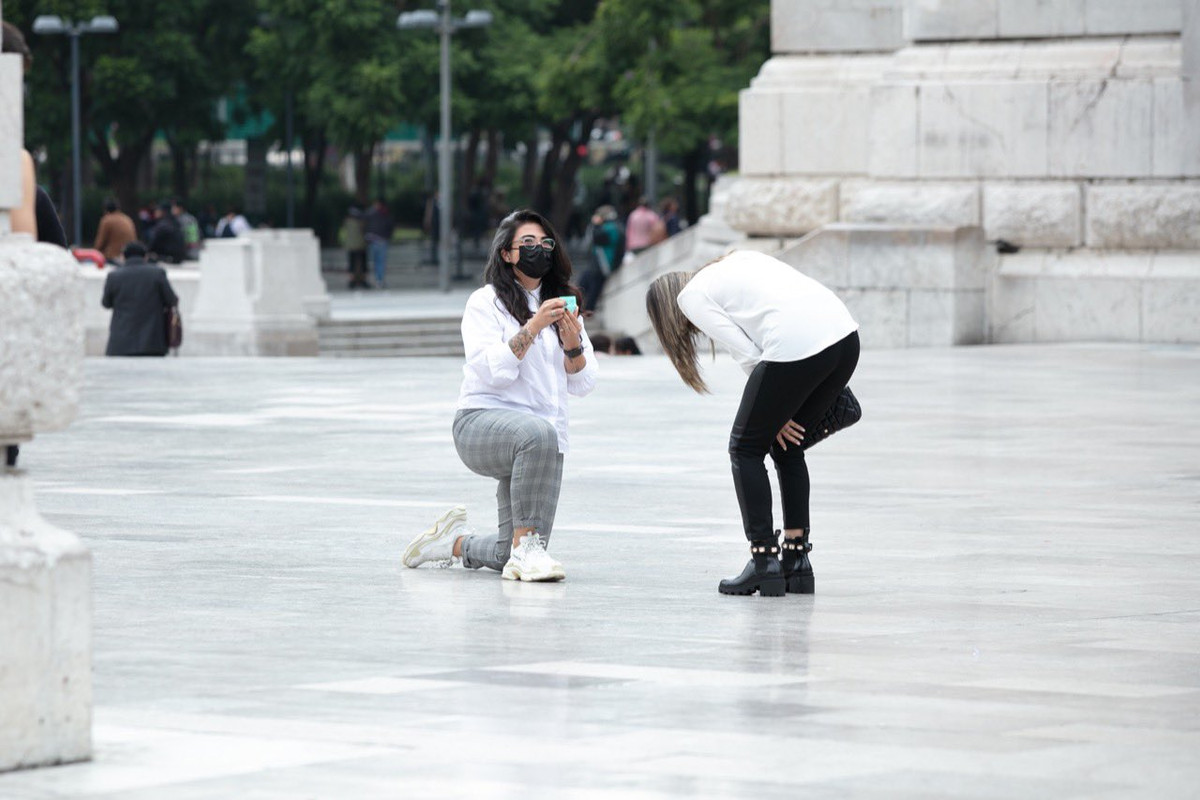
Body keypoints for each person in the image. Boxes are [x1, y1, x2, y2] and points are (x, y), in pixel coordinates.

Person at [646, 250, 860, 597]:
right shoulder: (738, 260)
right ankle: (797, 561)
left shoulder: (691, 297)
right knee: (788, 447)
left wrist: (774, 408)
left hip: (798, 345)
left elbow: (746, 351)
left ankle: (764, 562)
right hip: (846, 338)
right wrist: (776, 411)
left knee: (744, 448)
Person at [402, 209, 598, 582]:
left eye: (545, 243)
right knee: (540, 436)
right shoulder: (485, 302)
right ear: (506, 254)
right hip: (480, 423)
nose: (537, 249)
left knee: (505, 551)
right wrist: (535, 325)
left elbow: (584, 384)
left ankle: (451, 544)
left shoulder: (564, 304)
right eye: (527, 243)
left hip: (541, 440)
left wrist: (572, 345)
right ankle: (527, 553)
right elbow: (491, 371)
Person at [101, 241, 180, 357]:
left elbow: (106, 303)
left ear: (124, 257)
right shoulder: (157, 273)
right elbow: (172, 300)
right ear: (145, 256)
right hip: (153, 343)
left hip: (120, 344)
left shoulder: (114, 276)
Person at [578, 205, 624, 313]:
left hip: (603, 264)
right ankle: (586, 308)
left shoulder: (609, 228)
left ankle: (588, 309)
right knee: (586, 283)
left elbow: (593, 238)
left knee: (590, 285)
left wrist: (595, 225)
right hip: (603, 264)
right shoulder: (617, 227)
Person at [363, 197, 394, 288]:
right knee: (381, 261)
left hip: (373, 240)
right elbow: (390, 225)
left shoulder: (370, 213)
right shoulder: (386, 213)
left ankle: (378, 279)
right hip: (382, 240)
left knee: (376, 261)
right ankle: (380, 280)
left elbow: (365, 221)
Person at [341, 205, 369, 289]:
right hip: (361, 245)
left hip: (351, 246)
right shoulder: (361, 222)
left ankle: (352, 280)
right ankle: (362, 279)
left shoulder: (347, 222)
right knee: (363, 263)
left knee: (352, 263)